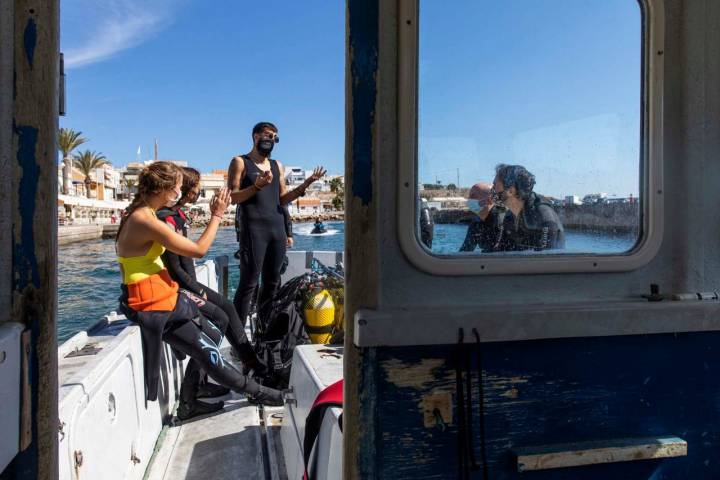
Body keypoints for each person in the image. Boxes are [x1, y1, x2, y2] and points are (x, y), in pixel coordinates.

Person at [115, 161, 284, 416]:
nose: (179, 195)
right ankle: (262, 393)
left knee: (215, 331)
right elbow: (199, 250)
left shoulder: (144, 212)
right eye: (178, 189)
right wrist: (217, 214)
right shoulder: (144, 219)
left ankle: (190, 396)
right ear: (164, 188)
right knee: (207, 351)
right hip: (151, 304)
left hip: (164, 293)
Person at [157, 167, 271, 419]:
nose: (198, 192)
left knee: (226, 310)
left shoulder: (177, 215)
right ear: (185, 190)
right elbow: (177, 268)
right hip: (182, 286)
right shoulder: (165, 218)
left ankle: (235, 368)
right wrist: (195, 290)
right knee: (221, 315)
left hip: (188, 283)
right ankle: (193, 393)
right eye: (195, 187)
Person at [228, 122, 326, 325]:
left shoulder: (277, 165)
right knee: (249, 282)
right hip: (253, 230)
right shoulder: (240, 162)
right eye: (267, 135)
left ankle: (265, 328)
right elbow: (234, 197)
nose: (270, 140)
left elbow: (282, 199)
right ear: (255, 136)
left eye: (274, 137)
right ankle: (238, 336)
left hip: (277, 229)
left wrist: (306, 183)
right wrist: (256, 186)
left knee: (272, 281)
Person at [490, 164, 565, 251]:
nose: (492, 190)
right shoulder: (509, 215)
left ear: (511, 191)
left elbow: (547, 257)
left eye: (495, 185)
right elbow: (500, 249)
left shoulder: (543, 212)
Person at [459, 182, 503, 252]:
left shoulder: (504, 220)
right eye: (469, 197)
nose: (469, 200)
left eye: (473, 196)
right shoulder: (476, 224)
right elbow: (464, 252)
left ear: (490, 199)